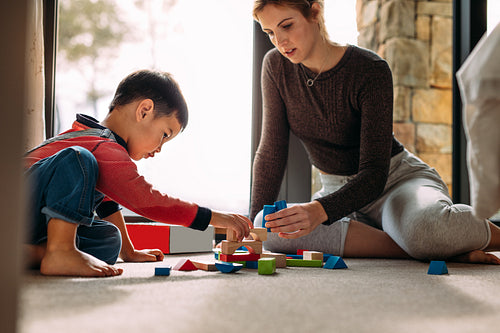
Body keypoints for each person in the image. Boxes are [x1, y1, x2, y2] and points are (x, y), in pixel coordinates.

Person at [249, 0, 500, 264]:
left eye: (286, 26)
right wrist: (250, 232)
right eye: (270, 33)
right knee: (266, 227)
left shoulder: (370, 69)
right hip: (335, 192)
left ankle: (475, 237)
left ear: (315, 12)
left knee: (423, 230)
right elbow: (271, 152)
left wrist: (321, 210)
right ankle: (423, 247)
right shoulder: (275, 66)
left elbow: (374, 173)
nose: (280, 41)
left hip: (394, 183)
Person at [24, 69, 252, 277]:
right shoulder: (98, 144)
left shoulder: (102, 146)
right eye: (164, 134)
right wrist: (214, 217)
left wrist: (129, 251)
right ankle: (60, 251)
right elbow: (146, 200)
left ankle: (30, 253)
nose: (159, 149)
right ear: (144, 111)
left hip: (30, 225)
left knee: (109, 239)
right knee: (79, 158)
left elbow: (107, 205)